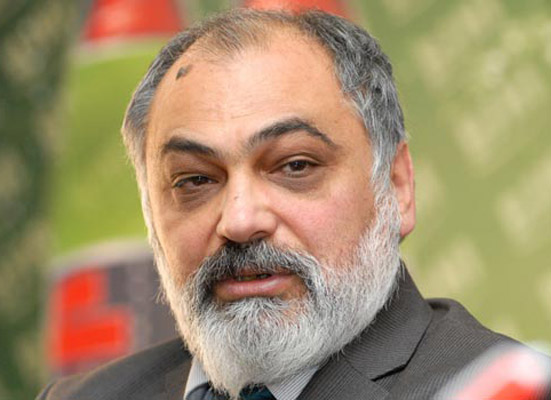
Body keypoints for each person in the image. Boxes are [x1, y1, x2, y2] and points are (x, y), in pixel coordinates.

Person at [37, 8, 550, 400]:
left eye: (295, 166)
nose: (240, 220)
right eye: (195, 179)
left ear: (396, 186)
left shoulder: (487, 389)